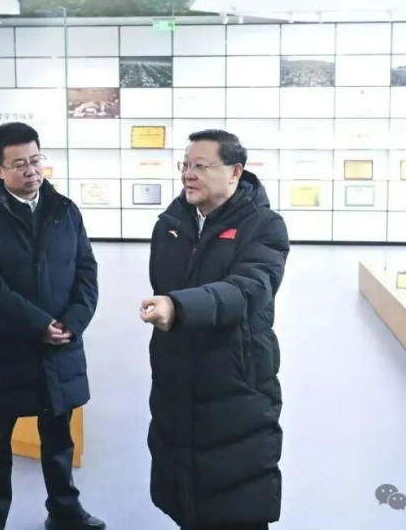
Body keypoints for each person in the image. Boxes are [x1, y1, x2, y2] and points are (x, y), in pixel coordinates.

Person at [140, 129, 290, 530]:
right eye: (186, 165)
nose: (189, 174)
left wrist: (179, 307)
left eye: (201, 166)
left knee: (235, 492)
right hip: (176, 377)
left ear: (235, 172)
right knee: (184, 490)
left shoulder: (264, 226)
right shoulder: (170, 225)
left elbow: (248, 289)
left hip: (235, 377)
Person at [0, 122, 103, 530]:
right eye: (19, 163)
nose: (31, 170)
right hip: (5, 350)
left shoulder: (64, 210)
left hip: (60, 347)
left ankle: (65, 510)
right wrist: (40, 324)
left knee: (58, 438)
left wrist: (72, 323)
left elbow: (86, 272)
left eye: (36, 160)